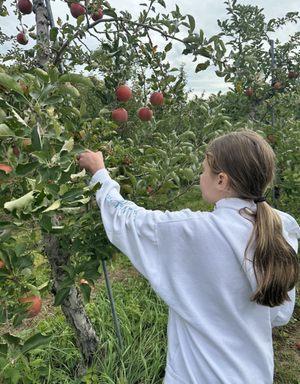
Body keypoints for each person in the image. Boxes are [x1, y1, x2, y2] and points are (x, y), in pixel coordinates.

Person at [77, 129, 299, 384]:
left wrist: (100, 175)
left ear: (221, 180)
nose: (200, 176)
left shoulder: (196, 231)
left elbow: (127, 220)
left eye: (205, 170)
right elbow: (279, 316)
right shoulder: (279, 229)